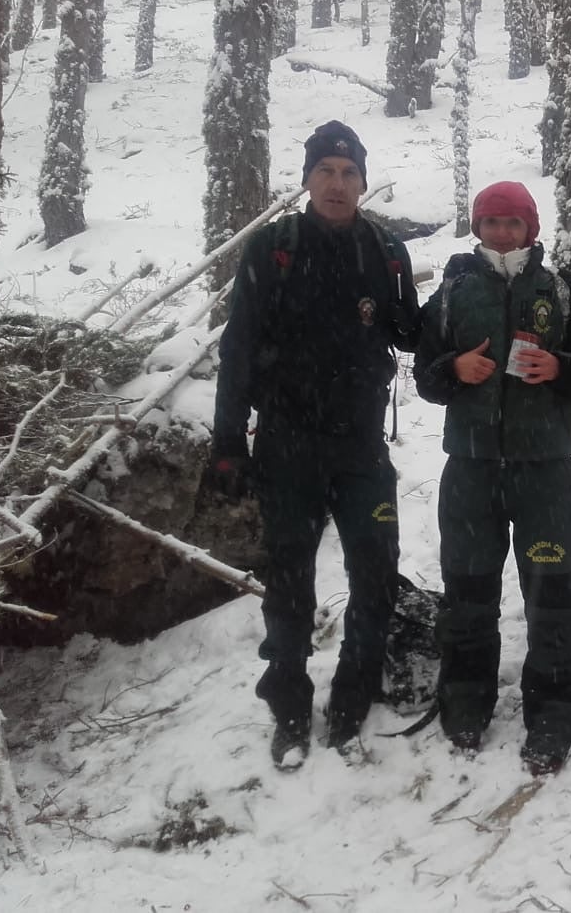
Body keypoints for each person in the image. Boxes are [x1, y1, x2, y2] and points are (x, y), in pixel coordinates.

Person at [209, 120, 420, 769]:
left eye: (348, 172)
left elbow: (413, 334)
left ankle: (353, 701)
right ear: (306, 181)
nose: (337, 183)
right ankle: (291, 710)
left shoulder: (384, 254)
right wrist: (227, 442)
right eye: (325, 171)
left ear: (362, 182)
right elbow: (238, 347)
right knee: (290, 585)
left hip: (360, 449)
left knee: (376, 573)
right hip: (288, 446)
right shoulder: (275, 249)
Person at [413, 181, 571, 776]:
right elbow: (424, 376)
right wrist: (454, 367)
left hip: (543, 468)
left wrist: (560, 367)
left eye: (512, 223)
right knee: (468, 588)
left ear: (532, 229)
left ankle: (557, 709)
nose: (500, 233)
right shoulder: (454, 289)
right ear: (478, 228)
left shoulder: (562, 290)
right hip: (469, 467)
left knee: (551, 589)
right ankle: (465, 698)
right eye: (490, 222)